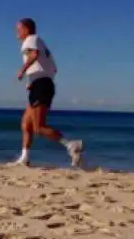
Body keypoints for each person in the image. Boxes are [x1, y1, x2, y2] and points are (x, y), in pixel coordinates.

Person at [14, 18, 83, 168]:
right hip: (40, 85)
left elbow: (34, 55)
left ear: (26, 29)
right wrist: (35, 79)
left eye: (18, 29)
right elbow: (53, 68)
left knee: (39, 127)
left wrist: (23, 70)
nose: (17, 33)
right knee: (26, 124)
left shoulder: (30, 40)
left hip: (41, 86)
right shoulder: (39, 42)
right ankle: (25, 157)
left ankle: (70, 144)